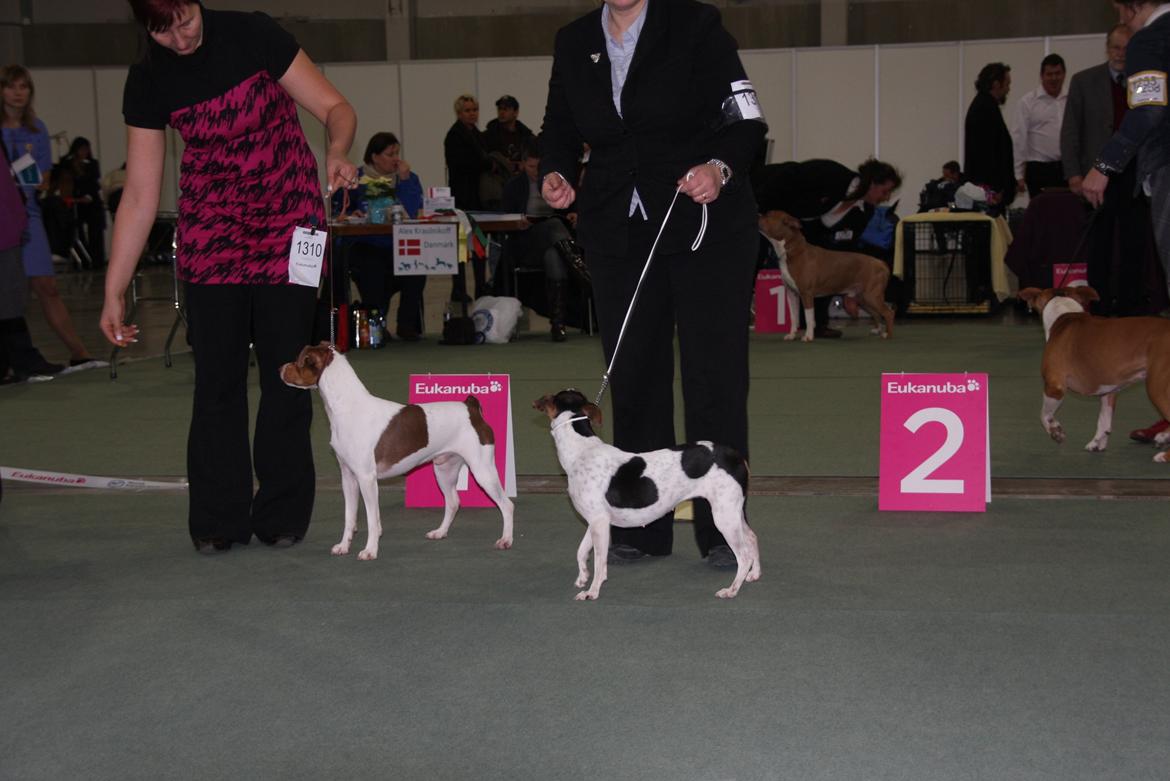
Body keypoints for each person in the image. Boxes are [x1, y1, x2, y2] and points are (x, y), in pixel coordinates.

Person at [99, 0, 357, 554]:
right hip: (212, 235)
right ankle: (218, 518)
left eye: (186, 20)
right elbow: (141, 194)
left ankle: (283, 513)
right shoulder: (148, 78)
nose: (180, 37)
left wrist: (336, 151)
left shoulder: (252, 34)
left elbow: (335, 107)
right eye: (163, 30)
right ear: (145, 27)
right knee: (216, 382)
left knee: (287, 372)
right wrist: (114, 286)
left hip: (288, 224)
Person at [540, 0, 767, 567]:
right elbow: (560, 127)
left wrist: (720, 167)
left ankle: (722, 533)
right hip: (618, 226)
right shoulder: (573, 40)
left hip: (704, 224)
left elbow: (746, 118)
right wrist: (559, 172)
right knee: (634, 371)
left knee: (712, 375)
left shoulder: (696, 26)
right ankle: (641, 526)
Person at [1084, 0, 1170, 443]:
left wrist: (1105, 164)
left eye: (1120, 8)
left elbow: (1149, 110)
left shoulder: (1150, 40)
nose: (1120, 19)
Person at [1, 64, 101, 369]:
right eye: (11, 86)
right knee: (9, 292)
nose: (18, 93)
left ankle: (78, 351)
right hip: (3, 215)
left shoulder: (37, 129)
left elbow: (43, 180)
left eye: (24, 87)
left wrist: (18, 174)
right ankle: (15, 357)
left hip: (28, 213)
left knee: (47, 285)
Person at [754, 158, 902, 337]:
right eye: (884, 191)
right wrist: (759, 204)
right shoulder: (832, 173)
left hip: (807, 235)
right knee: (754, 258)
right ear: (871, 183)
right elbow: (788, 174)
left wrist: (851, 286)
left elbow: (847, 248)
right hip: (764, 198)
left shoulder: (865, 212)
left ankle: (817, 325)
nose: (885, 198)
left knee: (824, 272)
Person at [1062, 23, 1150, 316]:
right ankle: (1097, 309)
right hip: (1095, 177)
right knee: (1098, 245)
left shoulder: (1145, 81)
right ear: (1107, 48)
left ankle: (1130, 309)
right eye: (1116, 47)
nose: (1121, 53)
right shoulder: (1083, 81)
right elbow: (1071, 131)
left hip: (1136, 177)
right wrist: (1073, 173)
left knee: (1134, 244)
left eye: (1127, 48)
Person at [332, 132, 425, 340]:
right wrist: (349, 214)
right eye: (390, 154)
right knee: (372, 267)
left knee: (418, 266)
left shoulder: (407, 178)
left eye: (397, 153)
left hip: (399, 243)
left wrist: (406, 181)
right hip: (366, 243)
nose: (396, 159)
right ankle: (376, 324)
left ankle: (407, 324)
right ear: (374, 157)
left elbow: (412, 212)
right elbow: (338, 210)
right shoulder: (355, 177)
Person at [0, 130, 62, 383]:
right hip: (9, 226)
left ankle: (18, 359)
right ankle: (20, 359)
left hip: (9, 226)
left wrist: (18, 219)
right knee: (9, 300)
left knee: (10, 300)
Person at [501, 140, 578, 341]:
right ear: (523, 164)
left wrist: (572, 215)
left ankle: (558, 324)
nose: (536, 171)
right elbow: (505, 218)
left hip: (552, 243)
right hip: (526, 244)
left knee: (554, 255)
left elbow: (570, 208)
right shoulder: (513, 186)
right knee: (553, 226)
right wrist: (518, 222)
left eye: (539, 167)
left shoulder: (556, 183)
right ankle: (575, 260)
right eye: (531, 167)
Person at [443, 93, 492, 301]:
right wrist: (486, 164)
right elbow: (461, 164)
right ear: (459, 113)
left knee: (479, 243)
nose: (472, 114)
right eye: (467, 110)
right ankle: (459, 288)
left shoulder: (478, 134)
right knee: (462, 246)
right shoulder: (454, 135)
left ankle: (480, 285)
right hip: (462, 199)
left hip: (478, 199)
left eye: (475, 110)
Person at [1011, 54, 1068, 198]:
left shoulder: (1072, 99)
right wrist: (1018, 174)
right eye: (1049, 74)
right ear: (1042, 76)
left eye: (1058, 74)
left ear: (1064, 75)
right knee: (1042, 216)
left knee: (1067, 214)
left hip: (1066, 168)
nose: (1054, 78)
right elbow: (1019, 139)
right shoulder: (1027, 102)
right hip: (1039, 169)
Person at [965, 62, 1016, 211]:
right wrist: (995, 188)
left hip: (987, 189)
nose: (1008, 89)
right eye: (1007, 84)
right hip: (989, 193)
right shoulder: (985, 109)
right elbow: (987, 154)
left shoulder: (983, 106)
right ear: (996, 84)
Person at [58, 136, 107, 268]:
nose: (84, 152)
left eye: (86, 149)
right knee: (75, 229)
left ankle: (97, 260)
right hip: (74, 202)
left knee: (96, 228)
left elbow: (93, 182)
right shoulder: (66, 163)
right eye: (81, 149)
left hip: (91, 201)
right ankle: (82, 259)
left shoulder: (92, 164)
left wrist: (88, 196)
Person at [482, 94, 535, 177]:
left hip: (520, 178)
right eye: (500, 109)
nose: (502, 112)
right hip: (497, 179)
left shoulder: (526, 135)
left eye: (506, 109)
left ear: (515, 112)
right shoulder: (489, 135)